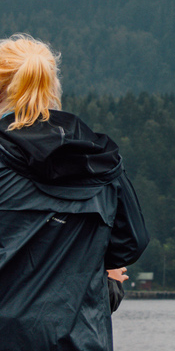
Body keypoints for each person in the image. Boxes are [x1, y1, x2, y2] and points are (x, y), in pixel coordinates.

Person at [0, 34, 149, 351]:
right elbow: (131, 243)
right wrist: (104, 282)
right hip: (81, 340)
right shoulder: (100, 160)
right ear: (51, 86)